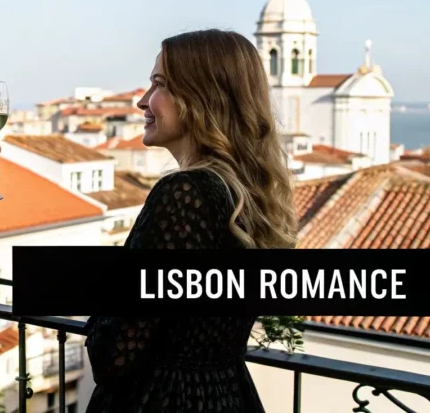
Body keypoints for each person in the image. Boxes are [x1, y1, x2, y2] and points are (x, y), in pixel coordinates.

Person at [83, 29, 298, 412]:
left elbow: (114, 356)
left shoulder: (185, 195)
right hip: (227, 395)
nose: (142, 102)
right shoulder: (245, 195)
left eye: (160, 84)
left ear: (202, 97)